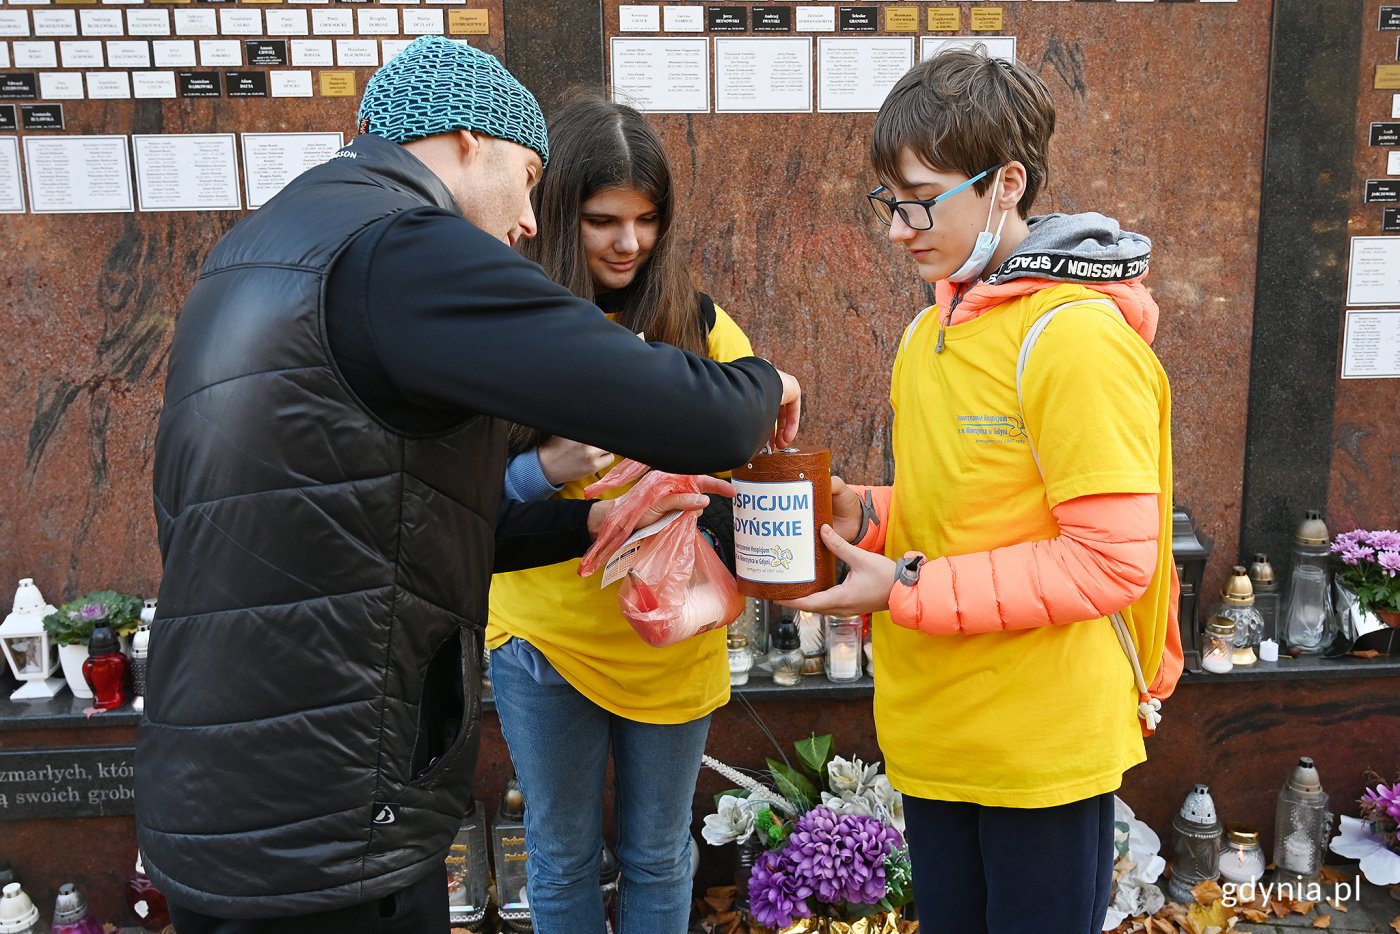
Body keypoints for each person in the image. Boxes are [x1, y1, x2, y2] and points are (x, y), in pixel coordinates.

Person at [138, 36, 799, 934]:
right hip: (329, 805)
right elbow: (709, 420)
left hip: (230, 791)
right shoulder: (401, 246)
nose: (531, 221)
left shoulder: (265, 243)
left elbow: (378, 520)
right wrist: (767, 386)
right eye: (529, 178)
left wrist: (591, 522)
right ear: (461, 141)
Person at [784, 48, 1177, 933]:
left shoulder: (1076, 340)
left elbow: (1112, 562)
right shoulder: (932, 327)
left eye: (921, 198)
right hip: (936, 734)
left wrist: (907, 589)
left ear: (1008, 182)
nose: (898, 227)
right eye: (890, 200)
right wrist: (868, 515)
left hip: (1038, 749)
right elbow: (969, 506)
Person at [486, 96, 752, 934]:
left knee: (658, 852)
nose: (628, 243)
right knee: (562, 856)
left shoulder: (700, 327)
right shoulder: (502, 327)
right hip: (543, 638)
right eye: (602, 220)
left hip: (670, 638)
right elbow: (449, 503)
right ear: (558, 214)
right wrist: (544, 466)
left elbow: (752, 465)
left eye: (646, 220)